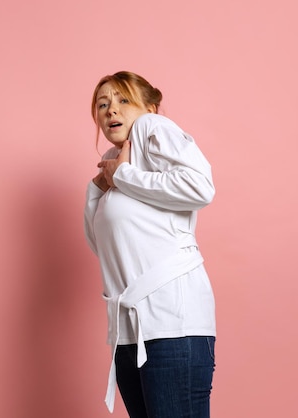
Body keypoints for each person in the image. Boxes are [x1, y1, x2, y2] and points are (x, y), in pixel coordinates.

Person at [83, 71, 217, 418]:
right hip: (130, 335)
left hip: (173, 325)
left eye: (123, 100)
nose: (111, 110)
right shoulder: (119, 168)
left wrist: (124, 177)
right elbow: (106, 249)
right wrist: (100, 187)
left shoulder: (151, 128)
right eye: (103, 104)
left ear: (150, 107)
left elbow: (200, 186)